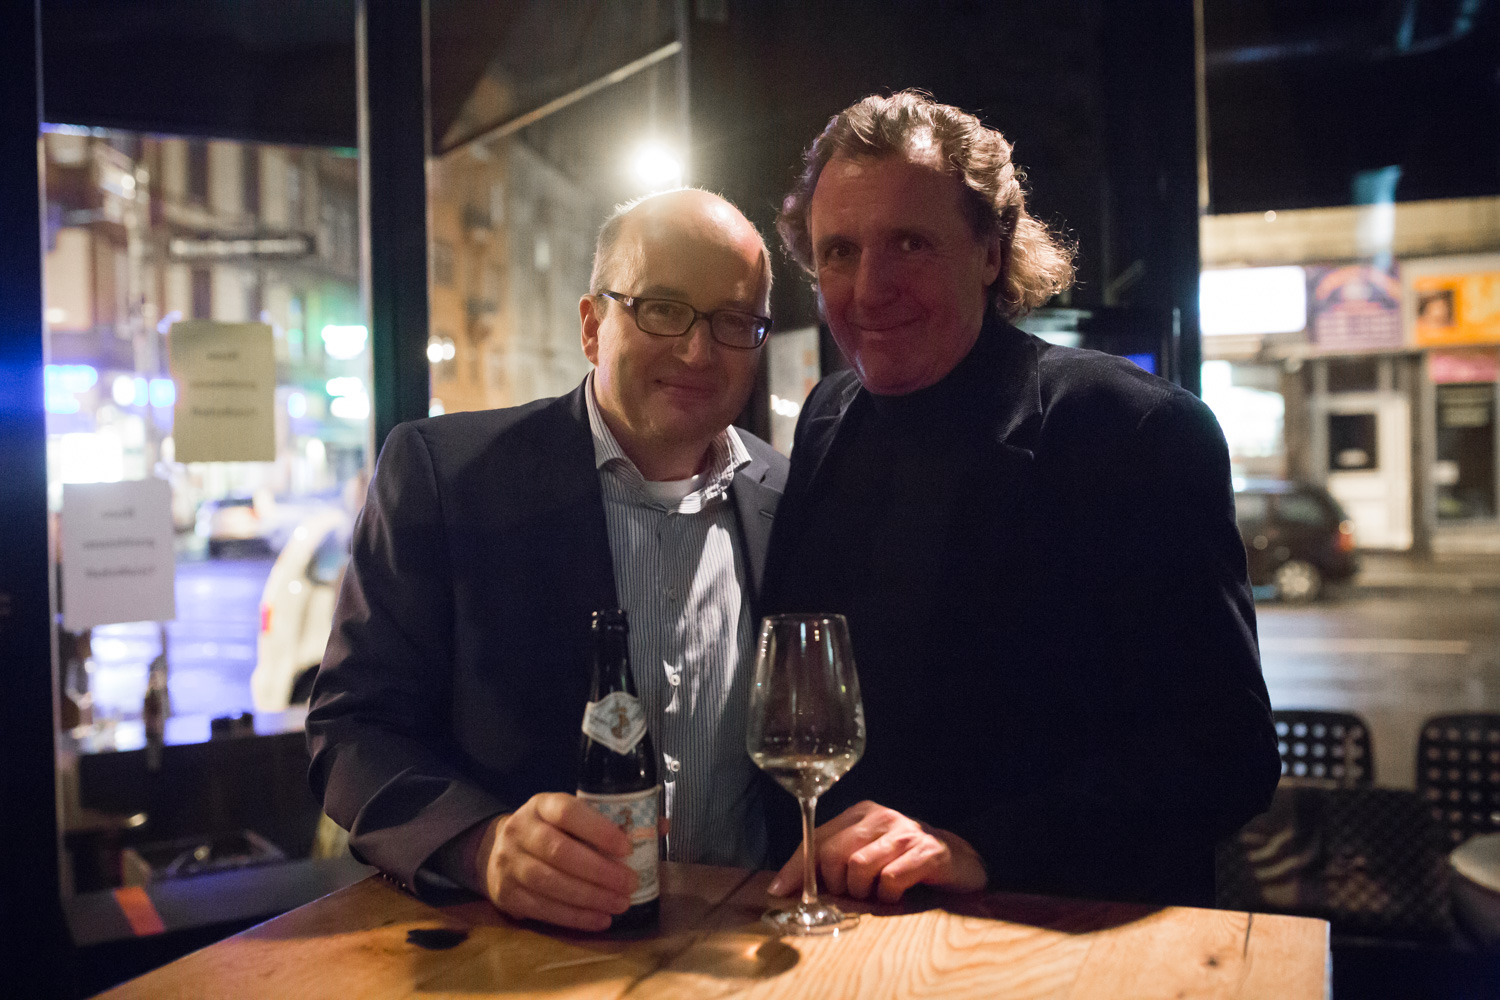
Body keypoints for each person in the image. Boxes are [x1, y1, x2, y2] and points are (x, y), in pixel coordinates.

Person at [761, 91, 1281, 908]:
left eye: (910, 243)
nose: (868, 288)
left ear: (991, 252)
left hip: (1060, 928)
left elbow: (1228, 752)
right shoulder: (828, 416)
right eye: (839, 251)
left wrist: (981, 847)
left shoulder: (1131, 427)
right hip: (858, 927)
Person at [306, 188, 789, 931]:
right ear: (593, 327)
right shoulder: (447, 477)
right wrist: (480, 845)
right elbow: (353, 729)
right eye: (662, 309)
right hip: (530, 953)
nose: (698, 351)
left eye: (733, 321)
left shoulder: (786, 497)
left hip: (745, 947)